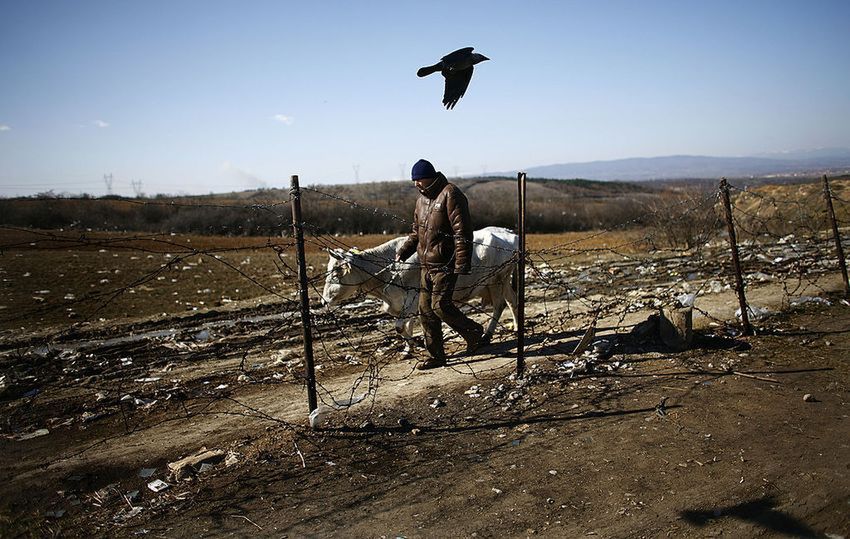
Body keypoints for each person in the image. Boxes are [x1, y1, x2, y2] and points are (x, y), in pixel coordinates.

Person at [395, 159, 485, 370]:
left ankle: (473, 331)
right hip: (426, 266)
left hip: (445, 263)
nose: (416, 184)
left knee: (440, 306)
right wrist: (405, 250)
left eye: (419, 179)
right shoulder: (421, 201)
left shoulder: (450, 194)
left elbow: (462, 232)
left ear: (430, 176)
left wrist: (461, 263)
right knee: (425, 311)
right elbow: (417, 232)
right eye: (413, 180)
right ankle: (436, 356)